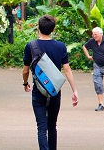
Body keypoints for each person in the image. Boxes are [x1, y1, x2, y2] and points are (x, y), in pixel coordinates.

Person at [22, 15, 79, 150]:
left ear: (38, 28)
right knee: (52, 126)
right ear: (53, 29)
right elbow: (67, 69)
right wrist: (74, 90)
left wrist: (25, 83)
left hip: (38, 91)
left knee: (42, 127)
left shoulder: (30, 46)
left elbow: (25, 71)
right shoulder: (60, 46)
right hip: (54, 90)